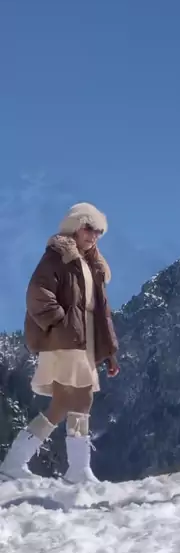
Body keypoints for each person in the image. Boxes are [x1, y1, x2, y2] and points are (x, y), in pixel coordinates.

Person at [0, 203, 119, 484]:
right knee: (76, 397)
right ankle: (72, 468)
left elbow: (101, 312)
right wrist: (59, 321)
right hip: (66, 339)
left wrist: (109, 352)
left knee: (69, 401)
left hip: (84, 339)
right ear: (74, 226)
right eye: (89, 228)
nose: (94, 236)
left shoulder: (92, 264)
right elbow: (37, 292)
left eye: (98, 232)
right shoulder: (58, 256)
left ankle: (20, 462)